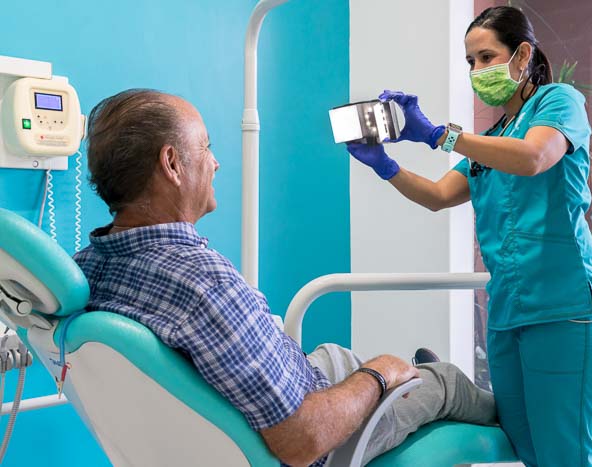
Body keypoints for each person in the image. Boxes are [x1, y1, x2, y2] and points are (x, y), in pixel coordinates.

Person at [73, 88, 497, 467]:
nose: (216, 163)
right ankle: (481, 405)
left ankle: (407, 373)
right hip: (323, 431)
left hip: (299, 381)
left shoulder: (89, 267)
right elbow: (303, 440)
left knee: (335, 355)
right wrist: (380, 374)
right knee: (447, 383)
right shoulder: (204, 286)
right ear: (171, 163)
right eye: (205, 148)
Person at [346, 6, 592, 467]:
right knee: (526, 448)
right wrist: (385, 165)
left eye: (487, 56)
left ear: (523, 54)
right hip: (508, 315)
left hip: (566, 310)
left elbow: (533, 158)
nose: (477, 70)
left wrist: (438, 135)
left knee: (563, 455)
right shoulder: (493, 136)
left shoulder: (559, 102)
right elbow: (437, 195)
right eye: (471, 62)